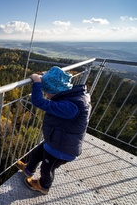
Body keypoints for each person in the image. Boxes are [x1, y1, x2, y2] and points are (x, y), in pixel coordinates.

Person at [16, 66, 91, 194]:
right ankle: (28, 170)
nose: (46, 95)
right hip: (55, 141)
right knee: (36, 154)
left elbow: (39, 102)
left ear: (55, 91)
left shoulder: (70, 107)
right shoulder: (71, 96)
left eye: (47, 92)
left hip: (62, 149)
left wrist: (37, 81)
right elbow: (55, 82)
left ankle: (44, 186)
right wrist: (45, 75)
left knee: (47, 169)